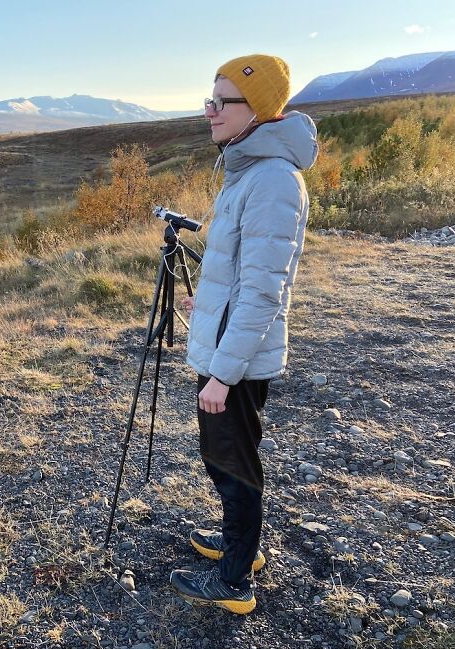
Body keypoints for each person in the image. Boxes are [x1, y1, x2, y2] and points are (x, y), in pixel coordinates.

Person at [169, 54, 318, 614]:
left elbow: (262, 293)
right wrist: (205, 304)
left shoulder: (273, 181)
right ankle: (241, 546)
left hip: (237, 360)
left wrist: (223, 375)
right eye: (208, 100)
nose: (209, 111)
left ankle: (234, 581)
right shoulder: (250, 170)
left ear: (255, 108)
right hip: (231, 345)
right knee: (224, 456)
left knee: (233, 464)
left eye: (220, 102)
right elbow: (238, 276)